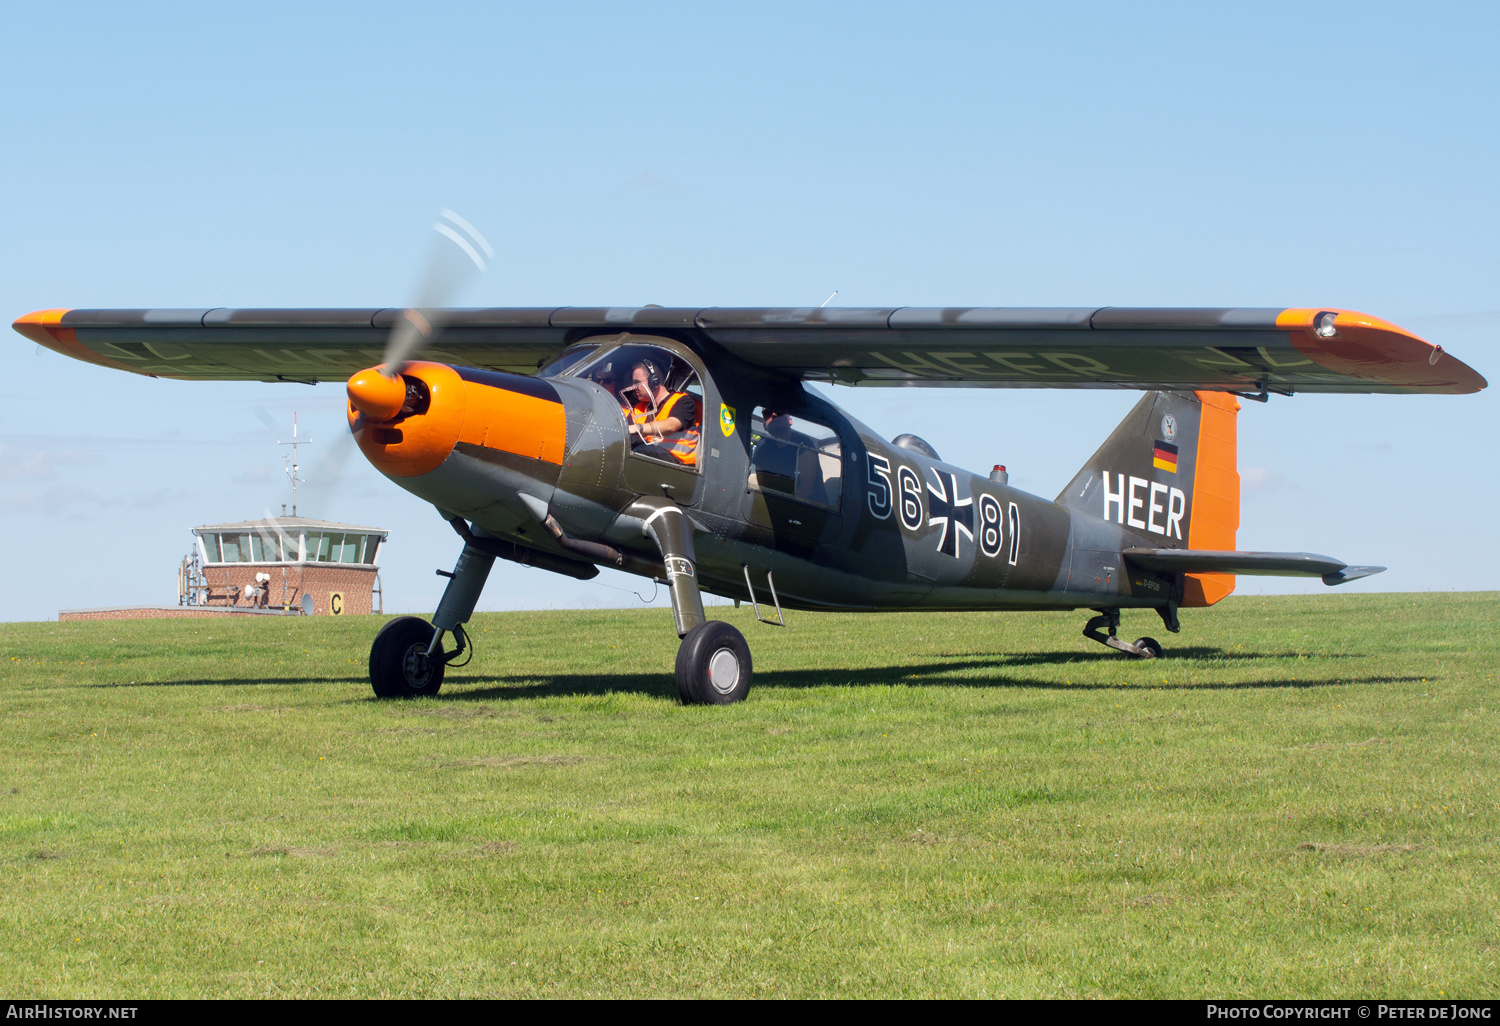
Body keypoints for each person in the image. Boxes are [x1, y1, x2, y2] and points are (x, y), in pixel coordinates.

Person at [624, 360, 699, 466]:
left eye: (637, 382)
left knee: (639, 450)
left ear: (654, 381)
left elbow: (671, 425)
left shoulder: (682, 401)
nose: (633, 386)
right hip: (652, 460)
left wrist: (636, 428)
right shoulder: (638, 409)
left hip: (678, 464)